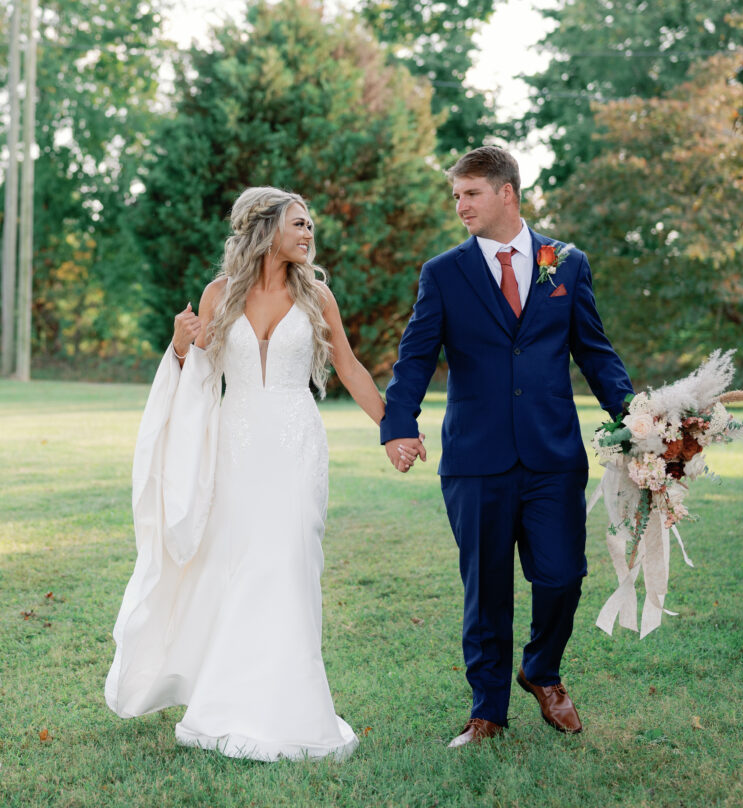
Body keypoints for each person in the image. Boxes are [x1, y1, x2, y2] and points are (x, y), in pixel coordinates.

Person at [105, 186, 406, 761]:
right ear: (266, 228)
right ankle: (228, 702)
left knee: (291, 562)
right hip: (234, 445)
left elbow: (347, 365)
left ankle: (293, 707)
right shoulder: (220, 293)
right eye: (299, 223)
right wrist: (178, 344)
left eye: (310, 225)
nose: (309, 233)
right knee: (238, 566)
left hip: (296, 442)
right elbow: (195, 374)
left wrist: (391, 429)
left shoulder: (318, 296)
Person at [380, 146, 633, 745]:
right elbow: (416, 356)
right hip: (475, 459)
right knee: (486, 588)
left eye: (470, 194)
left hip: (552, 455)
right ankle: (487, 711)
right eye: (456, 195)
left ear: (507, 193)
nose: (460, 205)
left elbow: (593, 351)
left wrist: (635, 419)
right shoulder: (443, 272)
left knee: (563, 577)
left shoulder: (565, 263)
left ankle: (541, 671)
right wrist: (398, 422)